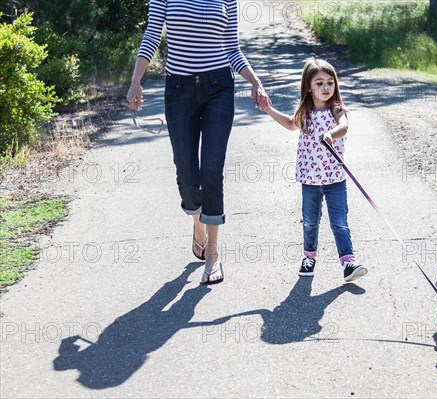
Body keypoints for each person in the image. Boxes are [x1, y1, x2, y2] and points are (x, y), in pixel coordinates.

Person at [127, 0, 270, 285]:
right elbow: (152, 34)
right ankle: (198, 226)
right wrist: (135, 81)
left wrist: (256, 82)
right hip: (178, 90)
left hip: (219, 87)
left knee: (212, 170)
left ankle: (213, 255)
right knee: (187, 174)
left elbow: (232, 48)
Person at [259, 57, 367, 283]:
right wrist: (268, 109)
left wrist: (331, 134)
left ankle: (348, 262)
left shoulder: (336, 109)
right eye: (319, 83)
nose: (326, 87)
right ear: (309, 86)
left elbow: (344, 127)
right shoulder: (305, 111)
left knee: (339, 221)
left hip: (335, 178)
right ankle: (309, 256)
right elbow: (290, 124)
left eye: (330, 82)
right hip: (309, 179)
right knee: (310, 221)